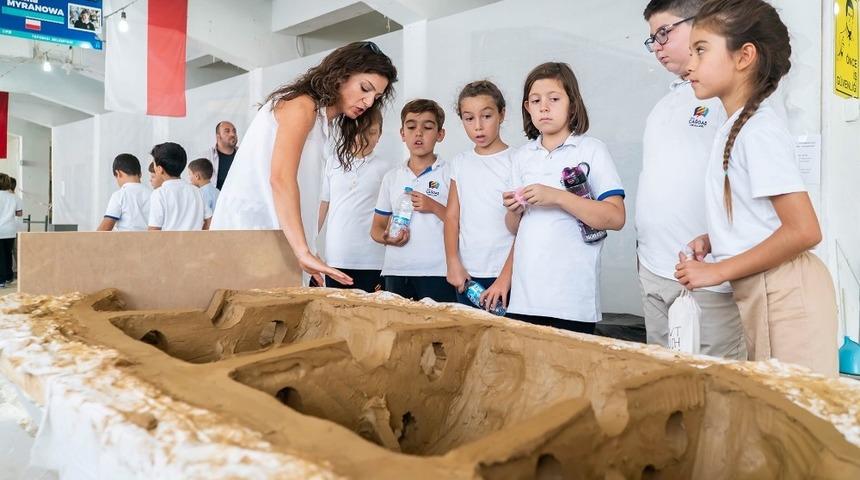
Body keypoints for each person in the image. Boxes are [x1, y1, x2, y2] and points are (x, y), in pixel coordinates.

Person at [676, 0, 838, 376]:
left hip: (786, 293)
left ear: (744, 56)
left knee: (797, 427)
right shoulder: (734, 127)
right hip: (766, 291)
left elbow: (804, 230)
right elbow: (761, 217)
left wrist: (718, 271)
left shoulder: (759, 130)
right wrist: (716, 237)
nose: (689, 66)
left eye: (701, 50)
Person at [211, 41, 398, 287]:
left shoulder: (321, 120)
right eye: (365, 88)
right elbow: (280, 178)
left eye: (376, 96)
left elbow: (302, 188)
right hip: (252, 232)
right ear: (341, 75)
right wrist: (302, 250)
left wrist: (308, 248)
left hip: (273, 237)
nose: (368, 102)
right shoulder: (302, 106)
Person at [637, 0, 745, 359]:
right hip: (655, 269)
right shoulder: (663, 105)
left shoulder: (725, 97)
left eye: (664, 33)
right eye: (651, 39)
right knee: (663, 388)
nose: (657, 47)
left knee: (713, 391)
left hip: (708, 278)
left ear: (701, 25)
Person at [503, 62, 626, 334]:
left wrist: (558, 197)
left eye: (554, 99)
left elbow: (616, 218)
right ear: (527, 108)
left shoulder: (591, 150)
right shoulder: (521, 157)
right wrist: (513, 210)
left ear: (573, 104)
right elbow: (513, 228)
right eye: (535, 101)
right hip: (525, 298)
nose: (544, 107)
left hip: (572, 300)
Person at [370, 99, 455, 303]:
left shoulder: (451, 173)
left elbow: (461, 223)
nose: (418, 133)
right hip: (396, 270)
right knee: (396, 332)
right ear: (402, 134)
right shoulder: (392, 177)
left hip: (438, 271)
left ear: (440, 134)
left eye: (427, 127)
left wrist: (433, 207)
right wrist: (386, 238)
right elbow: (376, 227)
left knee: (437, 331)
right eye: (411, 127)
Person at [444, 80, 515, 311]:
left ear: (501, 114)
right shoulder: (460, 162)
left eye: (486, 116)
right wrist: (453, 263)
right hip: (468, 276)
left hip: (508, 275)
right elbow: (452, 217)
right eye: (469, 118)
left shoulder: (519, 160)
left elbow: (525, 226)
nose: (478, 126)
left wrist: (505, 278)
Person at [317, 108, 388, 293]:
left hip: (373, 259)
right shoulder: (332, 163)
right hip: (337, 256)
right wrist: (308, 244)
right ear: (348, 131)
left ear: (380, 134)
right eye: (358, 131)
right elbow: (323, 205)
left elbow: (390, 214)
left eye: (372, 132)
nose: (364, 138)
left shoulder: (386, 168)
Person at [148, 143, 211, 231]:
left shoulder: (159, 194)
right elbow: (209, 221)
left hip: (168, 244)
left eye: (154, 164)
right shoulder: (198, 191)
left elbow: (154, 230)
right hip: (195, 244)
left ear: (159, 169)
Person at [98, 153, 150, 232]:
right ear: (140, 174)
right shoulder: (151, 194)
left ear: (118, 173)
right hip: (150, 241)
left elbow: (105, 228)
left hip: (125, 242)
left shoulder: (120, 195)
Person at [0, 174, 21, 288]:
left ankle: (1, 280)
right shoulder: (14, 197)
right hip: (10, 229)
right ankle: (8, 276)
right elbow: (19, 213)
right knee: (7, 253)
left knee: (0, 255)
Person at [206, 121, 239, 190]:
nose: (232, 134)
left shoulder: (243, 154)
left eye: (234, 131)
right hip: (216, 200)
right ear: (218, 136)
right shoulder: (207, 157)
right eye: (227, 131)